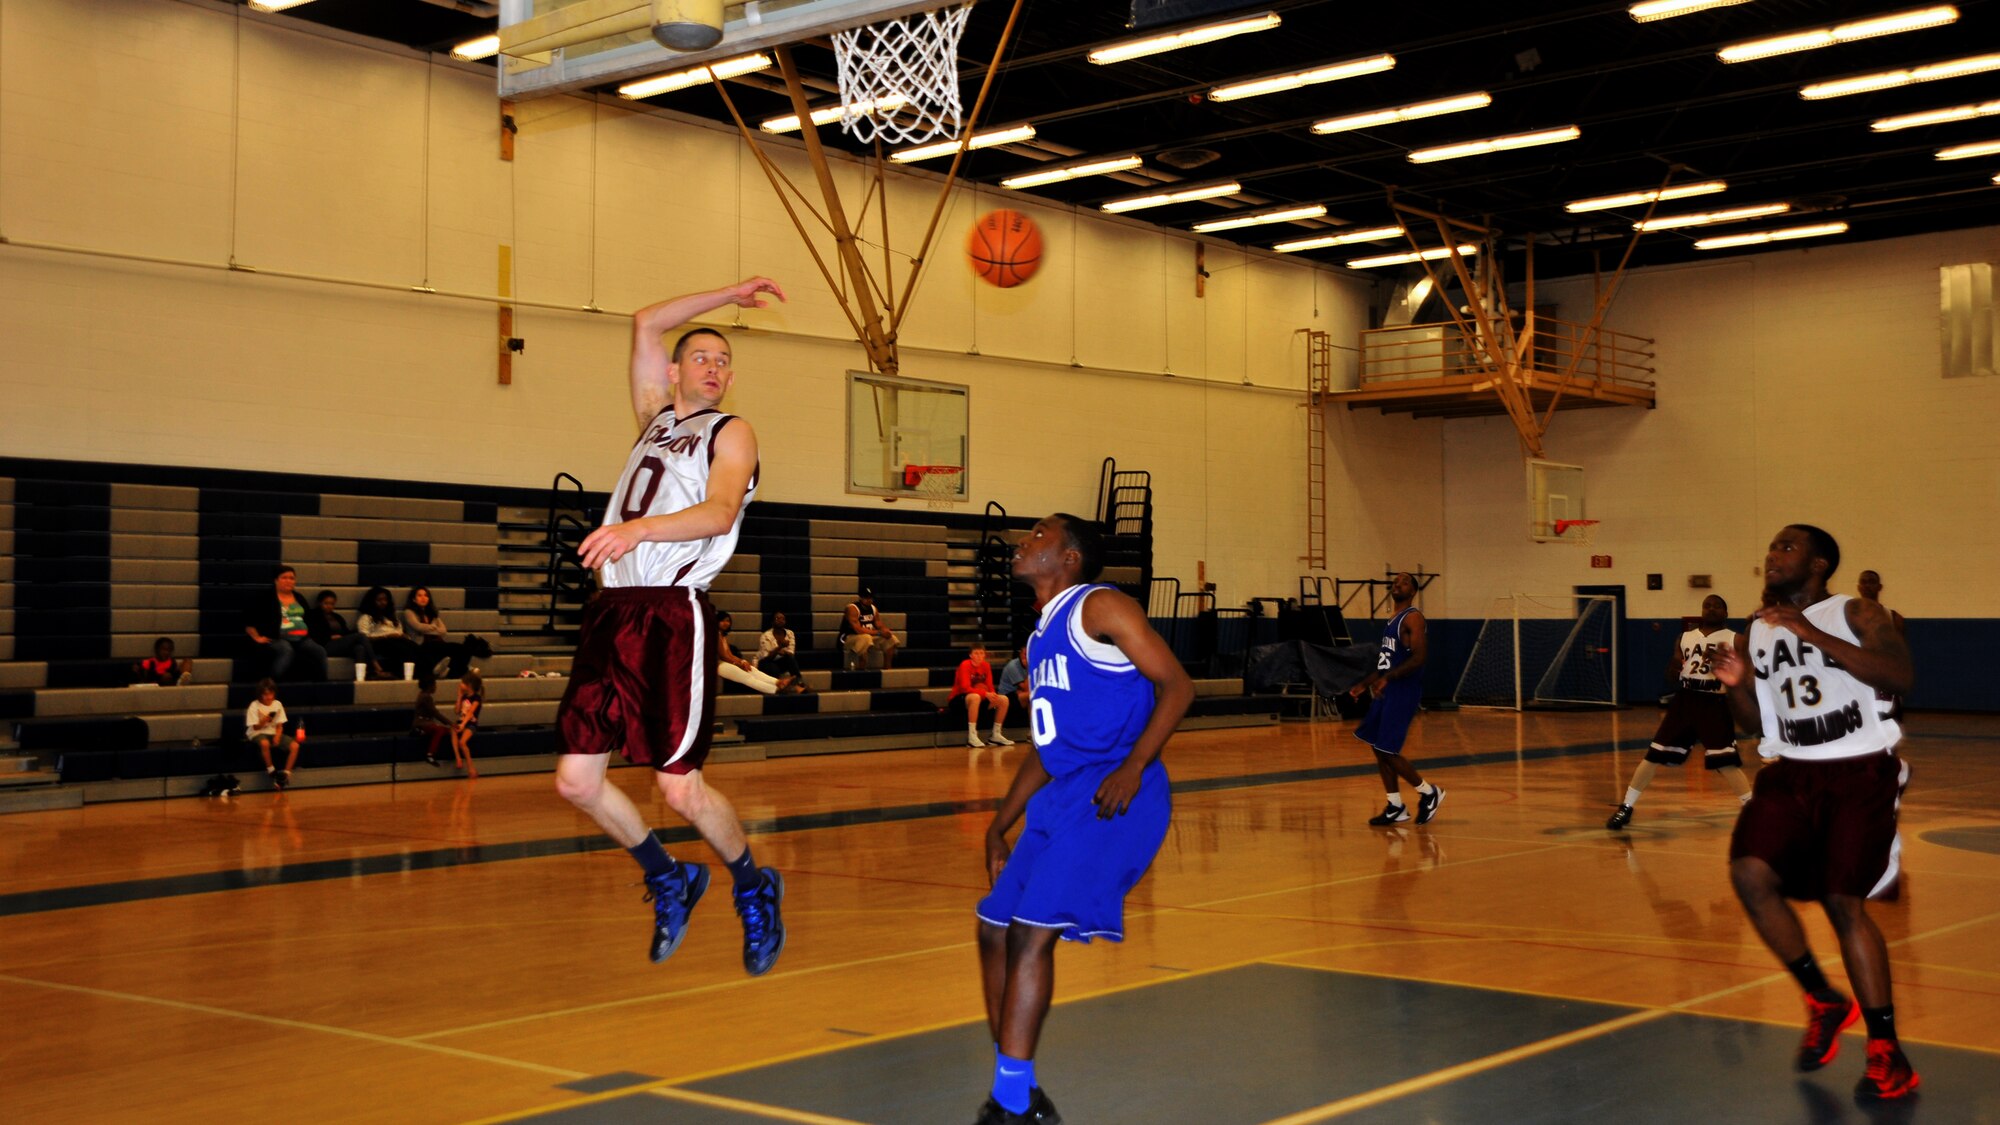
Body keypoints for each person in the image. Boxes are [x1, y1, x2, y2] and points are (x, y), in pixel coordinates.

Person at [552, 276, 789, 977]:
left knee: (679, 787)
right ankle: (670, 876)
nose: (716, 366)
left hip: (669, 611)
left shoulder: (731, 432)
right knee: (575, 781)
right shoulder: (654, 418)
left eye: (724, 361)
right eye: (704, 357)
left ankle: (753, 884)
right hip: (611, 611)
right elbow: (645, 319)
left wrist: (636, 529)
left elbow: (719, 513)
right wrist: (730, 293)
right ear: (676, 370)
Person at [974, 514, 1193, 1125]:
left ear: (1069, 558)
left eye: (1040, 534)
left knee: (1031, 932)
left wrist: (1135, 765)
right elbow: (1046, 750)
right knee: (994, 929)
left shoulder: (1099, 607)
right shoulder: (1039, 638)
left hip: (1117, 795)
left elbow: (1177, 686)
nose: (1025, 540)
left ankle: (1011, 1104)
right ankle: (1018, 1087)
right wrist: (999, 824)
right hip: (1061, 796)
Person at [1712, 524, 1919, 1101]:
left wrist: (1808, 630)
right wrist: (1734, 686)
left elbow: (1900, 677)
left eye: (1786, 547)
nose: (1772, 555)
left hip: (1859, 770)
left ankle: (1886, 1050)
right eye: (1771, 546)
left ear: (1820, 563)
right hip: (1791, 771)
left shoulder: (1857, 614)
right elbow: (1756, 723)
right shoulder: (1756, 629)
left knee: (1841, 904)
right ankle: (1823, 999)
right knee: (1749, 873)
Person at [1607, 594, 1751, 830]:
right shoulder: (1684, 637)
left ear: (1725, 613)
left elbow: (1748, 674)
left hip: (1714, 702)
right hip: (1685, 700)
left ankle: (1752, 808)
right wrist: (1672, 669)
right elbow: (1673, 672)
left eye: (1717, 606)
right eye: (1707, 605)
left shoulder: (1736, 639)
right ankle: (1626, 806)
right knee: (1653, 754)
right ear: (1701, 610)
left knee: (1726, 761)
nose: (1711, 609)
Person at [1346, 571, 1444, 826]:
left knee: (1386, 749)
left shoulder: (1413, 618)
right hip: (1387, 690)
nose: (1398, 583)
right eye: (1396, 580)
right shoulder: (1392, 620)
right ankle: (1396, 806)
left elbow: (1419, 658)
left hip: (1403, 690)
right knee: (1378, 748)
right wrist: (1363, 684)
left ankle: (1428, 792)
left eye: (1405, 582)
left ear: (1413, 591)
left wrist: (1388, 679)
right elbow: (1386, 663)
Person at [242, 565, 327, 681]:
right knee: (286, 650)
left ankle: (322, 684)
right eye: (284, 578)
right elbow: (249, 619)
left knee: (320, 651)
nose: (289, 581)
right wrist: (256, 637)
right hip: (276, 637)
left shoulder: (299, 597)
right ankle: (272, 684)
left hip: (301, 638)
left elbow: (309, 619)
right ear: (276, 580)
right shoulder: (265, 598)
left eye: (291, 578)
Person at [1856, 570, 1909, 728]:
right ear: (1858, 587)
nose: (1867, 586)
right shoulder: (1845, 616)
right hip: (1859, 682)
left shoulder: (1894, 618)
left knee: (1890, 727)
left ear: (1879, 587)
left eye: (1871, 582)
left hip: (1885, 683)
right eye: (1863, 582)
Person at [308, 590, 389, 681]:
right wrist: (329, 637)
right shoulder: (313, 615)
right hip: (325, 644)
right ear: (319, 603)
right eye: (326, 603)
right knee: (361, 636)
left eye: (332, 604)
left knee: (359, 648)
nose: (329, 606)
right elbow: (312, 633)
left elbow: (345, 632)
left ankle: (361, 675)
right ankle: (377, 666)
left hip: (340, 643)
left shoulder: (337, 617)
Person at [716, 611, 796, 695]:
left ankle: (778, 682)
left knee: (752, 669)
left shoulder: (722, 635)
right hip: (718, 665)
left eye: (728, 621)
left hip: (724, 662)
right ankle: (775, 689)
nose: (726, 623)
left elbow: (729, 654)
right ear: (717, 621)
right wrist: (738, 663)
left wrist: (742, 661)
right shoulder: (716, 635)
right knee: (745, 676)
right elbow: (723, 656)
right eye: (723, 621)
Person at [952, 643, 1014, 748]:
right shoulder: (965, 665)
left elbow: (990, 686)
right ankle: (972, 736)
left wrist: (993, 694)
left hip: (980, 698)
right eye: (976, 653)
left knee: (1004, 699)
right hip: (960, 698)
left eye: (981, 653)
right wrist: (985, 693)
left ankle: (996, 734)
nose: (979, 656)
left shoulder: (986, 665)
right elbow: (965, 688)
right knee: (975, 697)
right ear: (970, 655)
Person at [245, 678, 303, 789]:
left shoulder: (277, 704)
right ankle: (271, 770)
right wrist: (263, 721)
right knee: (265, 743)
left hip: (273, 732)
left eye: (271, 694)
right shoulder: (254, 705)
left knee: (295, 746)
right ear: (260, 695)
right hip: (257, 732)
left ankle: (285, 775)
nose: (269, 697)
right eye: (266, 694)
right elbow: (255, 727)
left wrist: (277, 736)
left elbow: (279, 725)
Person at [402, 586, 472, 679]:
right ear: (414, 599)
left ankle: (456, 671)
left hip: (437, 642)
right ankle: (464, 670)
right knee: (437, 648)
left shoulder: (432, 613)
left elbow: (443, 631)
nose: (423, 598)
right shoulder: (409, 612)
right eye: (419, 595)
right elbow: (418, 627)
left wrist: (429, 629)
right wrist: (434, 628)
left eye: (426, 595)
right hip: (421, 645)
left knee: (462, 649)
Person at [356, 586, 421, 674]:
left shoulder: (392, 618)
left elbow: (399, 631)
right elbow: (364, 638)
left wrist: (403, 636)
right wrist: (386, 636)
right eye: (379, 600)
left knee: (414, 646)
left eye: (385, 600)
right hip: (380, 642)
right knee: (403, 649)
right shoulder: (366, 617)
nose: (383, 602)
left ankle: (428, 670)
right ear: (372, 601)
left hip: (397, 640)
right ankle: (415, 672)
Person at [839, 587, 899, 670]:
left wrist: (886, 631)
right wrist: (879, 633)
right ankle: (862, 669)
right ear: (860, 597)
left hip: (868, 636)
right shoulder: (852, 608)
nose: (869, 600)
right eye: (866, 597)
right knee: (865, 638)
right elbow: (858, 629)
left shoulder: (873, 609)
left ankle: (888, 669)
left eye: (870, 597)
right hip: (848, 638)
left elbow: (879, 624)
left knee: (891, 639)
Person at [754, 610, 806, 685]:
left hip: (779, 661)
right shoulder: (765, 635)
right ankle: (778, 687)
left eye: (783, 618)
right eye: (777, 618)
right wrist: (780, 647)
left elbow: (790, 654)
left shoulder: (790, 633)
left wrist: (776, 651)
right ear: (772, 622)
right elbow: (767, 657)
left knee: (790, 659)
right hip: (765, 662)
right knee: (773, 666)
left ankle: (799, 684)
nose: (780, 620)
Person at [411, 675, 452, 766]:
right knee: (440, 730)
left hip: (424, 723)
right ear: (430, 686)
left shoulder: (422, 694)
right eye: (435, 685)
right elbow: (435, 713)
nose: (436, 687)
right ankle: (430, 754)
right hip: (422, 723)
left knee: (446, 731)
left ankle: (421, 732)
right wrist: (450, 723)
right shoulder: (426, 697)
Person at [452, 672, 483, 778]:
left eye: (462, 683)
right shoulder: (464, 696)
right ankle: (458, 758)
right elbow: (456, 711)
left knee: (462, 742)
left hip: (470, 724)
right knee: (452, 729)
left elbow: (470, 713)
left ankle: (471, 768)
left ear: (469, 685)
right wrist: (459, 696)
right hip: (461, 723)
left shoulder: (476, 698)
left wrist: (463, 724)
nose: (460, 684)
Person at [997, 644, 1031, 715]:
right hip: (1006, 695)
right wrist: (1029, 669)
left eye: (1028, 653)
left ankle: (1033, 722)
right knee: (1031, 695)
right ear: (1020, 654)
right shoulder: (1013, 666)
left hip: (1019, 692)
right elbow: (1026, 688)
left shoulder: (1034, 663)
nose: (1026, 656)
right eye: (1024, 654)